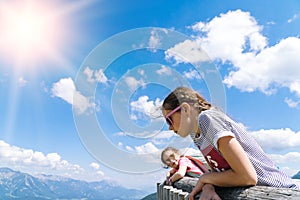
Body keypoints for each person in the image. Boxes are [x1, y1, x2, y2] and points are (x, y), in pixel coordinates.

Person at [161, 86, 299, 200]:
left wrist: (205, 178)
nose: (169, 127)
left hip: (280, 190)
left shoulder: (207, 119)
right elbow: (219, 171)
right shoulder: (196, 134)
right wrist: (208, 185)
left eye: (169, 120)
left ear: (185, 109)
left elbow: (247, 177)